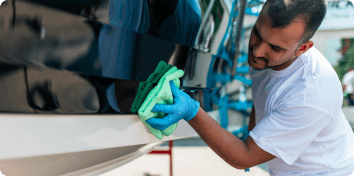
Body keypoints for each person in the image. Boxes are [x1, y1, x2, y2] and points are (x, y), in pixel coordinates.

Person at [145, 0, 354, 175]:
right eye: (257, 33)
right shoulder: (268, 57)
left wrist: (192, 111)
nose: (257, 51)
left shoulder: (311, 94)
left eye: (274, 48)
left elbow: (244, 157)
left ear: (303, 49)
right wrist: (255, 131)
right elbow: (263, 91)